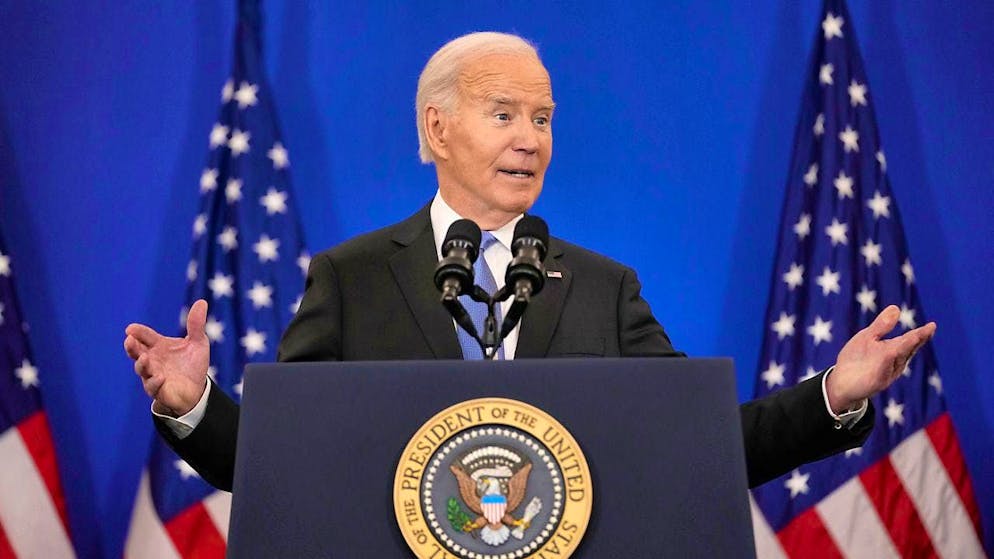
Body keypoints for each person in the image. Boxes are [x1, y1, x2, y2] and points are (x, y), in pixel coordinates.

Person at [124, 32, 936, 493]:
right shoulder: (353, 277)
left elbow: (703, 439)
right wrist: (198, 405)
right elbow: (281, 458)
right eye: (504, 112)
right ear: (438, 131)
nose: (530, 138)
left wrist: (834, 393)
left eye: (543, 116)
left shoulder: (602, 287)